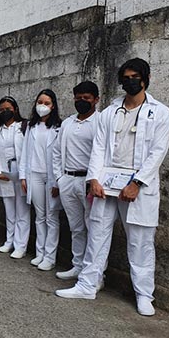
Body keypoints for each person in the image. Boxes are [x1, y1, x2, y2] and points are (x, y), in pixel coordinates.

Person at [56, 59, 169, 316]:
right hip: (105, 185)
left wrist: (137, 183)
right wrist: (93, 179)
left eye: (135, 76)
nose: (130, 81)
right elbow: (98, 147)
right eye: (126, 77)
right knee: (97, 233)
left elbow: (157, 153)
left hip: (137, 188)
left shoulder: (161, 112)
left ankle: (144, 295)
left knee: (140, 243)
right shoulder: (110, 112)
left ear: (145, 78)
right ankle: (88, 283)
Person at [51, 81, 100, 280]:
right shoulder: (68, 123)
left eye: (86, 98)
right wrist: (59, 179)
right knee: (76, 227)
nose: (81, 101)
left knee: (95, 229)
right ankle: (77, 265)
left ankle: (95, 274)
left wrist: (95, 181)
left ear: (96, 99)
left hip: (88, 182)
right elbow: (56, 152)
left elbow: (103, 154)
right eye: (78, 98)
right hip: (68, 180)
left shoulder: (100, 122)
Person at [19, 89, 62, 271]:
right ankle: (40, 253)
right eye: (40, 102)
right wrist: (23, 177)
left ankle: (50, 257)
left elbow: (61, 156)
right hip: (34, 174)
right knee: (39, 216)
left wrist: (58, 181)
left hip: (51, 177)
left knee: (52, 217)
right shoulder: (31, 126)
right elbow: (24, 153)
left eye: (47, 103)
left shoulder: (59, 127)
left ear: (53, 106)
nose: (42, 106)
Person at [0, 96, 30, 258]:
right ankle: (9, 241)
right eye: (2, 110)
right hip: (4, 173)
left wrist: (24, 173)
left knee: (22, 211)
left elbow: (27, 152)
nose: (5, 112)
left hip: (20, 173)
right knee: (9, 210)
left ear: (16, 109)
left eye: (8, 109)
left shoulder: (23, 127)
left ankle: (21, 245)